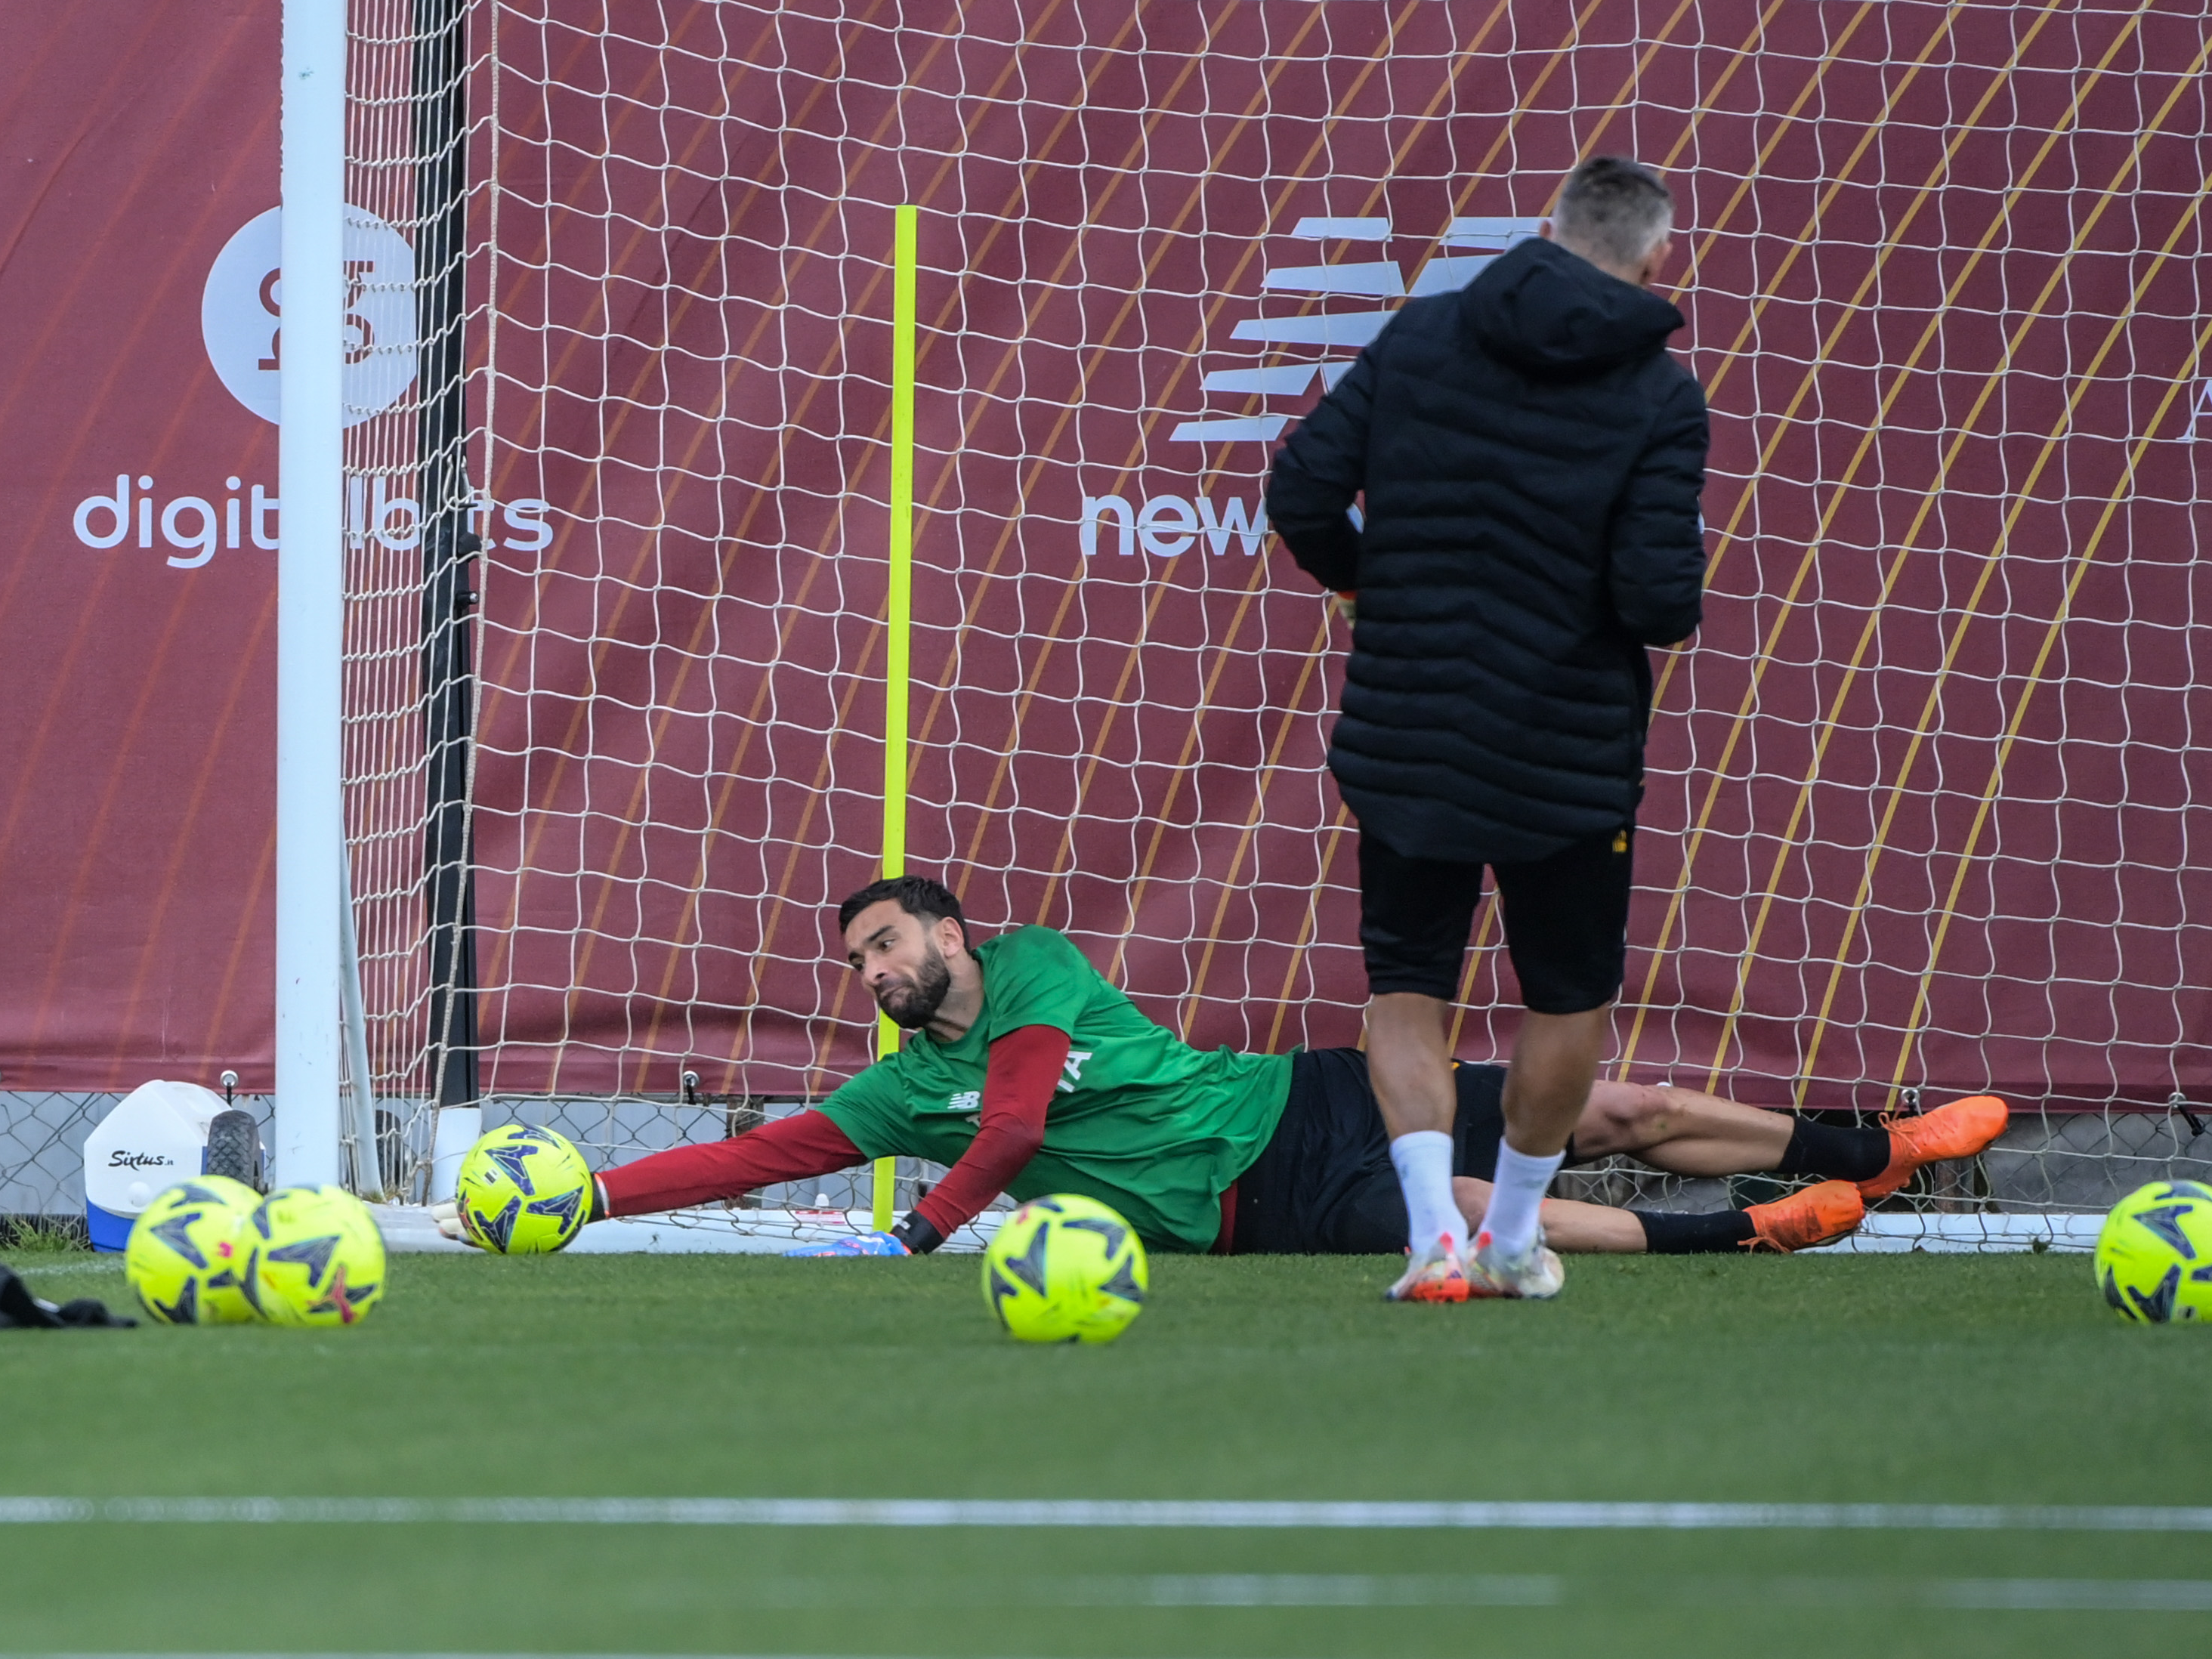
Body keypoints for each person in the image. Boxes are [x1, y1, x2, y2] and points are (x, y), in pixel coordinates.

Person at [435, 878, 2009, 1260]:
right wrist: (587, 1195)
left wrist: (926, 1230)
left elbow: (1019, 1117)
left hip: (1300, 1096)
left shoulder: (1032, 973)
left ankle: (1869, 1141)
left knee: (1601, 1104)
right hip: (1255, 1211)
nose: (867, 974)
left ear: (945, 932)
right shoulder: (890, 1092)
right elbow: (753, 1157)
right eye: (852, 967)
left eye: (883, 946)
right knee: (1471, 1204)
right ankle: (1745, 1232)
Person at [1265, 156, 1713, 1303]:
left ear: (1544, 230)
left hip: (1406, 730)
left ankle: (1432, 1240)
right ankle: (1510, 1237)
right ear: (1655, 257)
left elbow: (1302, 487)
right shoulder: (1658, 393)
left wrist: (1372, 585)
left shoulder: (1421, 336)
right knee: (1564, 997)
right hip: (1562, 747)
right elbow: (1662, 601)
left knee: (1406, 984)